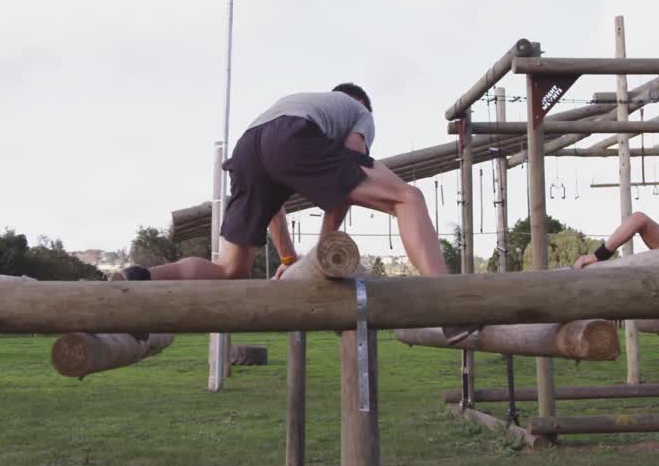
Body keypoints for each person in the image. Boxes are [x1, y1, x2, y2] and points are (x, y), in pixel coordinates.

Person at [117, 83, 461, 334]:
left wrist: (289, 259)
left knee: (230, 269)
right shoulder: (359, 113)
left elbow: (273, 206)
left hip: (249, 145)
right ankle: (446, 303)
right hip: (291, 135)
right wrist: (325, 247)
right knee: (408, 198)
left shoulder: (310, 104)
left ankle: (144, 277)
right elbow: (352, 165)